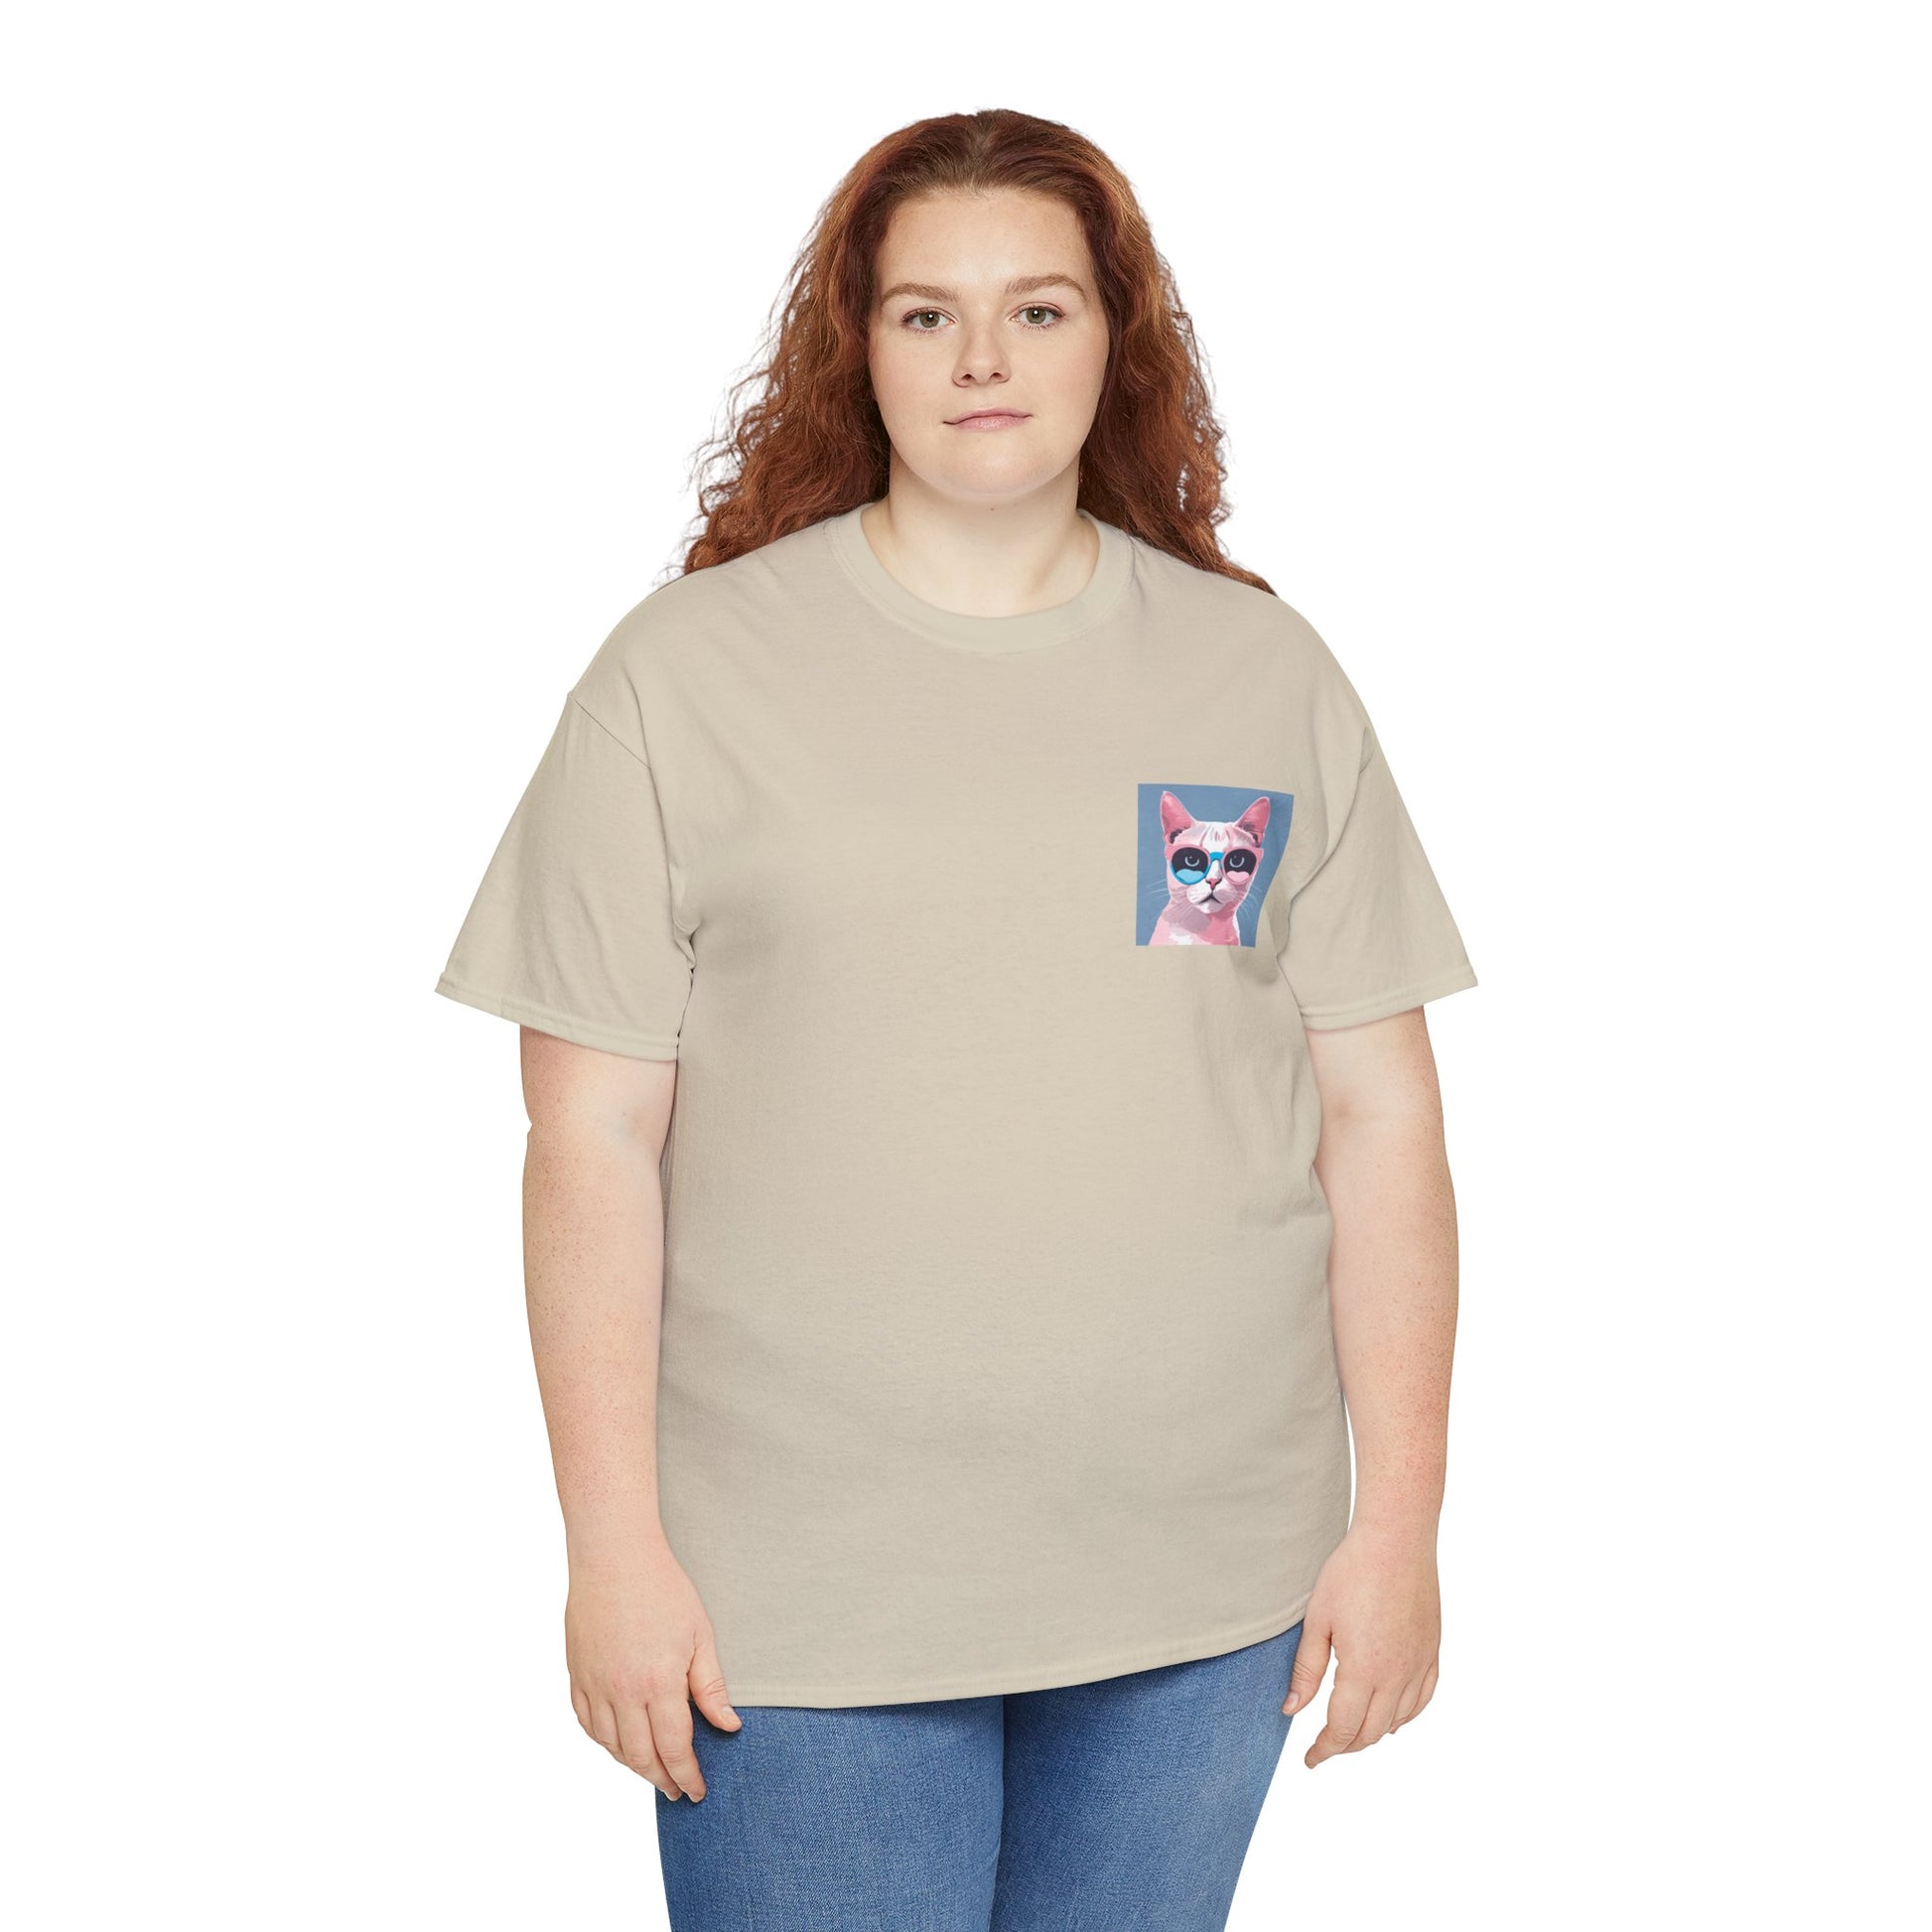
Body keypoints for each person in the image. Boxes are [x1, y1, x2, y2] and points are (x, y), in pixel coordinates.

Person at [434, 107, 1477, 1932]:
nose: (983, 358)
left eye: (1037, 309)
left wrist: (1398, 1525)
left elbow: (1379, 1115)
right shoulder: (681, 677)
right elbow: (589, 1134)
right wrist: (611, 1547)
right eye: (927, 314)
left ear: (1115, 340)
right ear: (860, 347)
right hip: (798, 1591)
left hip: (1202, 1578)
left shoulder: (1259, 673)